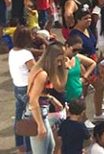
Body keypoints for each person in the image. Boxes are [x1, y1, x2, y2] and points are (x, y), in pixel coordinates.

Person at [26, 43, 68, 154]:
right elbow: (33, 99)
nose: (64, 58)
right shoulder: (42, 74)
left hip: (42, 113)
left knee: (50, 147)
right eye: (62, 55)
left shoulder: (40, 68)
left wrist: (50, 98)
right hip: (36, 115)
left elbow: (37, 93)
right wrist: (40, 125)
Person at [9, 25, 36, 154]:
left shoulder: (12, 51)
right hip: (27, 88)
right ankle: (30, 148)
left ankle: (20, 144)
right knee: (28, 119)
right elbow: (35, 69)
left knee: (19, 117)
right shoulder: (26, 54)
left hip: (17, 86)